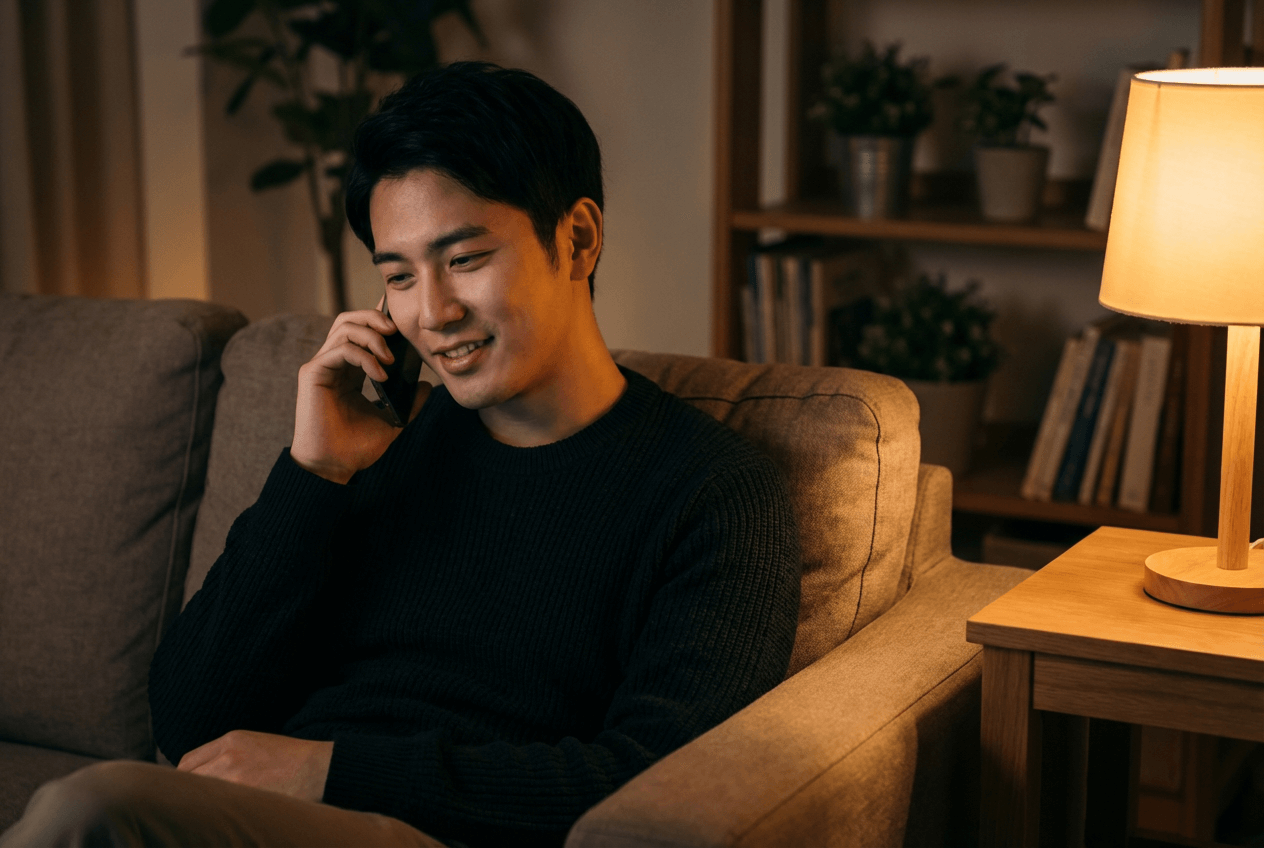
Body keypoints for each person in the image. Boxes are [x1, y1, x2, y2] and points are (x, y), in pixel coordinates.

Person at [0, 62, 799, 848]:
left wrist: (330, 773)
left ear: (579, 237)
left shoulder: (714, 494)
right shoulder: (377, 442)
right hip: (266, 823)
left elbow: (655, 789)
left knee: (94, 808)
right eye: (399, 276)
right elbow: (188, 720)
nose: (434, 313)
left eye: (464, 259)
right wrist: (313, 475)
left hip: (434, 831)